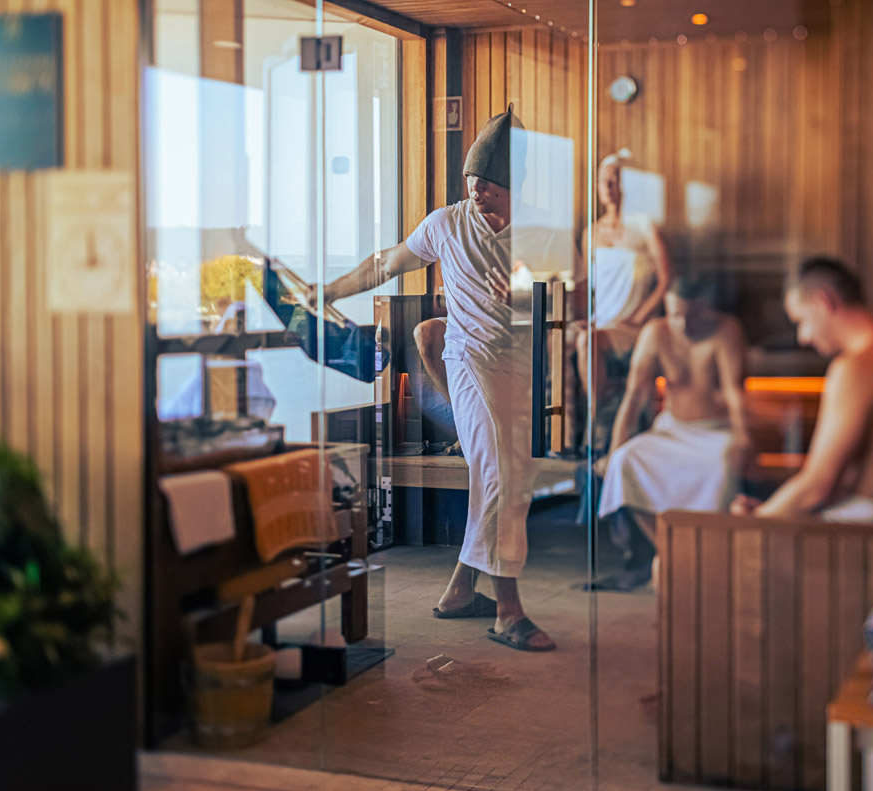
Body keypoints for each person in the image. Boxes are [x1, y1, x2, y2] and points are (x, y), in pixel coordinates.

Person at [311, 106, 555, 652]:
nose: (476, 191)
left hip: (520, 370)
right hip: (469, 362)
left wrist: (525, 295)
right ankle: (509, 612)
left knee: (505, 478)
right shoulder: (446, 223)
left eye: (488, 184)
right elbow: (385, 263)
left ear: (513, 186)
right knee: (500, 473)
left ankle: (460, 592)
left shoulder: (540, 231)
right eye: (471, 180)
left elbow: (572, 296)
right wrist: (329, 291)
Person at [584, 272, 751, 591]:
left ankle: (707, 558)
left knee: (722, 465)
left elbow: (733, 392)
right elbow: (634, 397)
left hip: (716, 433)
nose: (684, 324)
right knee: (625, 461)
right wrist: (614, 450)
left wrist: (743, 438)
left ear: (705, 308)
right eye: (675, 315)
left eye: (692, 315)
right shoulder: (655, 334)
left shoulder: (725, 330)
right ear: (666, 309)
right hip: (672, 430)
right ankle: (672, 553)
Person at [730, 258, 873, 522]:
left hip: (866, 519)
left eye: (801, 320)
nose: (803, 337)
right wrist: (772, 509)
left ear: (823, 302)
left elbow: (816, 488)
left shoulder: (856, 367)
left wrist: (756, 519)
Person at [576, 151, 673, 449]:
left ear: (626, 184)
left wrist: (640, 316)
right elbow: (589, 286)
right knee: (578, 338)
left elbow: (666, 279)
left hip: (634, 326)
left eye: (614, 179)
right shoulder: (591, 233)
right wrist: (587, 316)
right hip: (603, 324)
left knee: (586, 341)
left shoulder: (644, 227)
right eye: (602, 180)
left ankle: (595, 427)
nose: (608, 186)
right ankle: (590, 420)